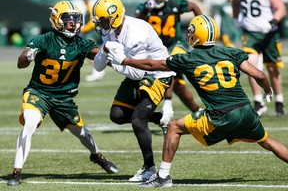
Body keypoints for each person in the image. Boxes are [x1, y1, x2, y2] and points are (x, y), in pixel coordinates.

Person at [107, 14, 288, 188]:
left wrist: (126, 60)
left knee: (173, 127)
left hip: (221, 114)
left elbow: (152, 65)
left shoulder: (188, 58)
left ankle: (163, 177)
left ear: (196, 34)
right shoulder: (231, 52)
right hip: (246, 110)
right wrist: (268, 90)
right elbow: (259, 74)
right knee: (267, 142)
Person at [7, 0, 119, 186]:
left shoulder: (81, 43)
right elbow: (21, 62)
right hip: (39, 92)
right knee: (30, 123)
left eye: (76, 19)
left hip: (64, 98)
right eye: (68, 19)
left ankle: (97, 157)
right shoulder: (44, 39)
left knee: (82, 133)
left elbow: (98, 56)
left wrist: (110, 54)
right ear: (56, 19)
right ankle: (17, 172)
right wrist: (28, 56)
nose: (73, 23)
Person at [91, 0, 175, 182]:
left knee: (138, 121)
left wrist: (115, 61)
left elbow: (137, 72)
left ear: (116, 16)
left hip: (156, 74)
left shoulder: (136, 32)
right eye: (100, 21)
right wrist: (105, 51)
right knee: (117, 115)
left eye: (104, 20)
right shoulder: (110, 30)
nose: (102, 25)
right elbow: (98, 66)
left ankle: (150, 168)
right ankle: (160, 118)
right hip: (135, 72)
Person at [135, 0, 202, 121]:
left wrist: (201, 27)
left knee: (168, 65)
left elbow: (194, 7)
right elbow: (136, 21)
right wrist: (147, 9)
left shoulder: (174, 4)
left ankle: (167, 104)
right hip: (156, 50)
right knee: (178, 86)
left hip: (176, 45)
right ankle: (198, 112)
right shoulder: (144, 8)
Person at [232, 0, 286, 117]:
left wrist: (273, 21)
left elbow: (280, 8)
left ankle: (279, 100)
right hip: (250, 33)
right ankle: (258, 102)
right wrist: (236, 18)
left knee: (272, 67)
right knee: (250, 65)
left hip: (269, 33)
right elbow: (235, 2)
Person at [79, 0, 106, 82]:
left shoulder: (90, 6)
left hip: (92, 32)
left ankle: (97, 71)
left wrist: (83, 29)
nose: (84, 1)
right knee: (92, 51)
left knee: (90, 51)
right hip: (92, 32)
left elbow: (92, 22)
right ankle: (97, 70)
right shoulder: (88, 7)